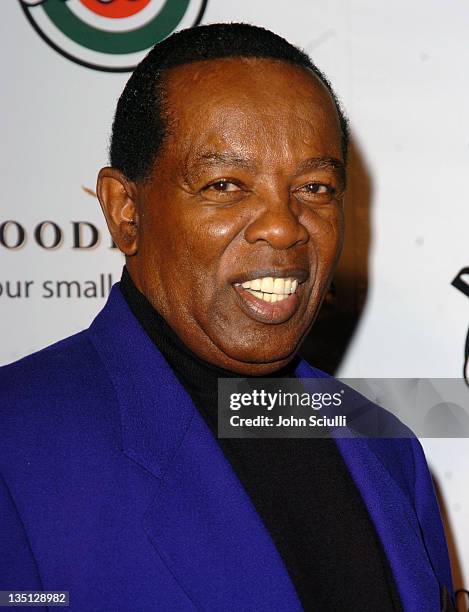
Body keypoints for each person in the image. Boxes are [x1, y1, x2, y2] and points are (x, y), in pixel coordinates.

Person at [0, 23, 453, 612]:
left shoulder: (387, 449)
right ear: (125, 212)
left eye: (315, 187)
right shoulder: (17, 442)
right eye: (226, 185)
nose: (285, 225)